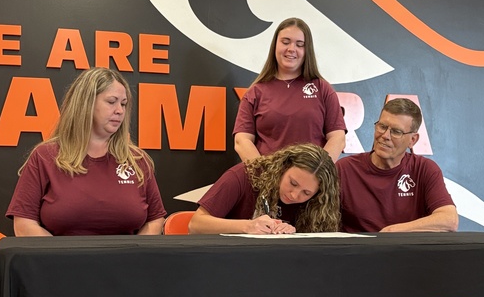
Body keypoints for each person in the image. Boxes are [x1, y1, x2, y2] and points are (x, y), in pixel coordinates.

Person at [7, 68, 166, 236]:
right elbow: (24, 223)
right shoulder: (45, 156)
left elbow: (155, 219)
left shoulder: (137, 160)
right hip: (60, 262)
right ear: (86, 103)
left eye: (123, 104)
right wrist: (61, 257)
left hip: (126, 262)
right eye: (112, 102)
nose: (120, 110)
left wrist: (135, 255)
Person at [233, 17, 346, 163]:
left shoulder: (322, 89)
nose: (291, 49)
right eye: (285, 42)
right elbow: (242, 141)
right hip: (267, 183)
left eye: (300, 45)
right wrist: (266, 177)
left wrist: (317, 174)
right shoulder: (255, 93)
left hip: (311, 184)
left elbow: (338, 138)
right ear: (275, 45)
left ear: (307, 50)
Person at [337, 99, 459, 233]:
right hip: (358, 252)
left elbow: (449, 220)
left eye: (396, 131)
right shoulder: (344, 169)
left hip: (405, 252)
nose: (385, 136)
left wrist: (392, 232)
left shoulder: (424, 169)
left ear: (413, 140)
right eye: (382, 126)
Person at [189, 143, 341, 235]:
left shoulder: (318, 204)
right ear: (284, 167)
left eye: (306, 193)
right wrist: (248, 226)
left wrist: (291, 234)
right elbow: (195, 225)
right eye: (293, 183)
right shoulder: (244, 175)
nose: (294, 195)